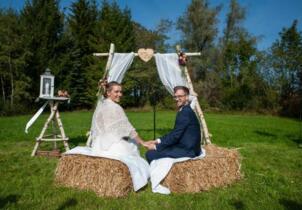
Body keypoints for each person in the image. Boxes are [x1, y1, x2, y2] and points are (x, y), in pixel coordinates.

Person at [90, 81, 149, 157]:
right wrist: (142, 142)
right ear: (108, 93)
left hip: (98, 146)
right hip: (112, 146)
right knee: (133, 146)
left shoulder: (101, 105)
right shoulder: (115, 107)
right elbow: (129, 130)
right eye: (116, 92)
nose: (120, 94)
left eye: (120, 92)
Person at [145, 86, 202, 163]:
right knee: (161, 149)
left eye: (180, 96)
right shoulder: (186, 109)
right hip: (186, 146)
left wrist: (155, 147)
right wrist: (157, 141)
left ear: (187, 97)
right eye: (175, 96)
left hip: (188, 150)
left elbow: (175, 136)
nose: (177, 99)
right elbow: (175, 132)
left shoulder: (185, 112)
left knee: (150, 154)